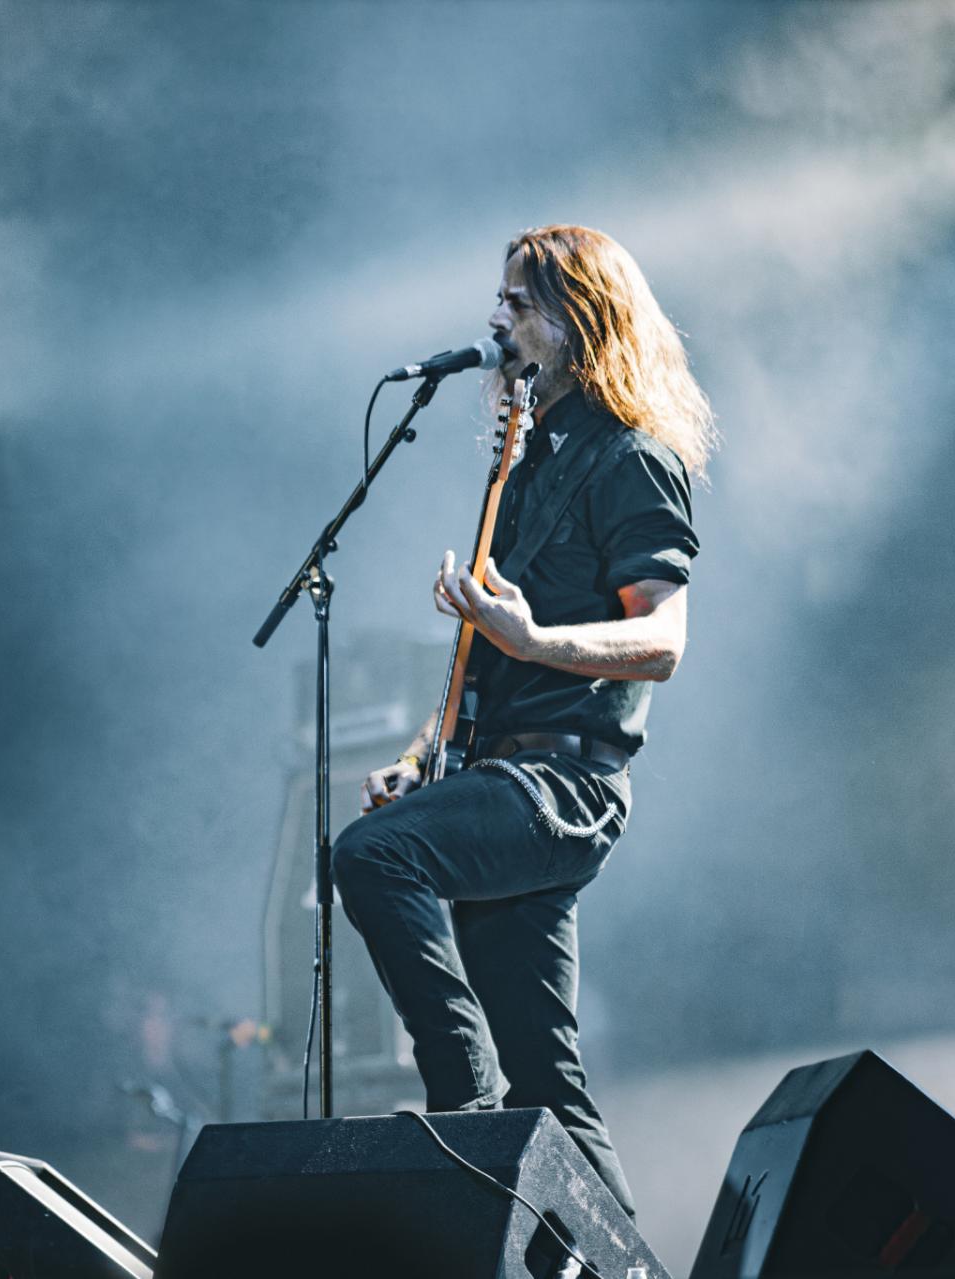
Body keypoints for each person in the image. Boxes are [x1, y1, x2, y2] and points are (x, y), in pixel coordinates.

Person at [331, 224, 718, 1216]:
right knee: (550, 1080)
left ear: (578, 318)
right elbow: (483, 660)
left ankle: (462, 1096)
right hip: (502, 772)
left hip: (563, 782)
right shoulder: (529, 461)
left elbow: (663, 639)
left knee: (373, 855)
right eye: (499, 298)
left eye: (520, 301)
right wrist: (423, 755)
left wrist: (536, 636)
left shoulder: (631, 457)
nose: (497, 318)